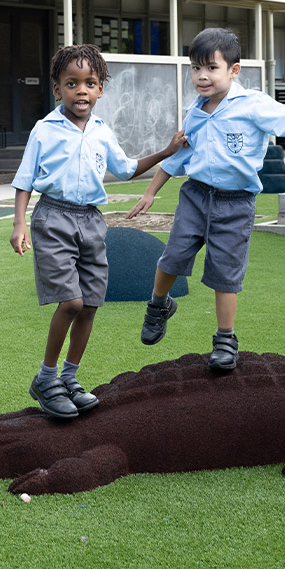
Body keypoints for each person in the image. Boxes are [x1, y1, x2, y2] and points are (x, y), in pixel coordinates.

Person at [10, 44, 186, 419]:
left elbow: (126, 169)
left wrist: (166, 151)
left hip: (91, 220)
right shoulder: (44, 130)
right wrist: (20, 223)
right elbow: (24, 181)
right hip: (53, 218)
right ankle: (46, 377)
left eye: (90, 83)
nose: (81, 91)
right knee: (70, 302)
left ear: (100, 89)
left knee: (90, 305)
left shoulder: (103, 132)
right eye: (71, 83)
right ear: (58, 89)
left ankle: (70, 380)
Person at [126, 27, 285, 370]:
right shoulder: (194, 112)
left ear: (234, 70)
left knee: (225, 272)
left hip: (237, 202)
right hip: (196, 196)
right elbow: (177, 158)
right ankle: (158, 305)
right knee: (173, 256)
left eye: (211, 68)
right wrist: (150, 193)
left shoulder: (253, 105)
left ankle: (225, 338)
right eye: (196, 68)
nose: (202, 76)